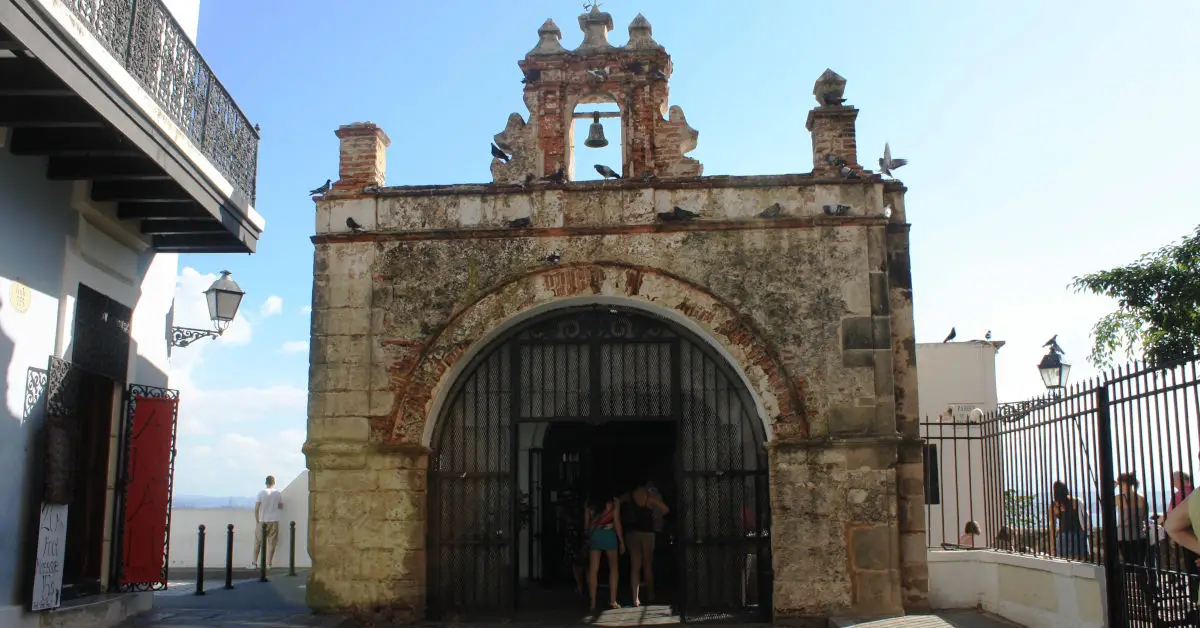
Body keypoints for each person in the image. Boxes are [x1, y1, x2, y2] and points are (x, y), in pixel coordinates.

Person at [626, 485, 670, 606]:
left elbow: (617, 503)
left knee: (635, 567)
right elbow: (665, 510)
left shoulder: (629, 496)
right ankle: (650, 594)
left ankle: (635, 598)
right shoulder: (649, 497)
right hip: (648, 534)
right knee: (648, 565)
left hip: (632, 533)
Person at [585, 492, 624, 610]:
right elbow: (616, 522)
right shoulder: (614, 502)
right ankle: (613, 600)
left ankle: (593, 602)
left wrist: (588, 537)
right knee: (613, 567)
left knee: (593, 569)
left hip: (595, 535)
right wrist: (621, 541)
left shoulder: (589, 503)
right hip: (609, 535)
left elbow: (586, 525)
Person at [1115, 473, 1150, 586]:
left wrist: (1113, 486)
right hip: (1139, 535)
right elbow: (1145, 517)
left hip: (1123, 536)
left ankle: (1127, 594)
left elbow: (1103, 503)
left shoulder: (1118, 498)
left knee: (1127, 565)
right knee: (1140, 566)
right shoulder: (1141, 498)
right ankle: (1145, 591)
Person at [250, 475, 284, 569]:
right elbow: (281, 506)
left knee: (258, 543)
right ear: (274, 483)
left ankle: (254, 563)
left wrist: (257, 521)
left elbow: (256, 509)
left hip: (263, 520)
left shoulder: (261, 493)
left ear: (266, 482)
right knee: (272, 543)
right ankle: (269, 564)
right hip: (274, 520)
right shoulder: (278, 493)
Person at [1049, 481, 1089, 560]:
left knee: (1064, 563)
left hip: (1063, 536)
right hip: (1078, 534)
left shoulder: (1054, 506)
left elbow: (1052, 526)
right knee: (1081, 563)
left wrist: (1053, 545)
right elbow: (1085, 517)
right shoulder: (1076, 501)